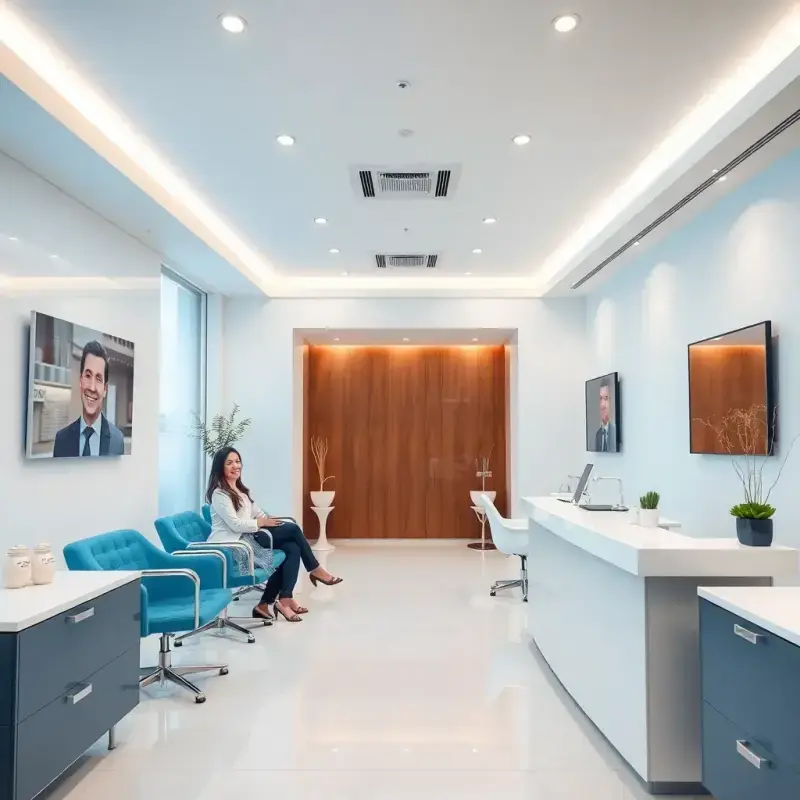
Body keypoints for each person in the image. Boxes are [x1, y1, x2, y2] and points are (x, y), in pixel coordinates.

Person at [206, 446, 342, 622]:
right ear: (220, 467)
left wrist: (270, 520)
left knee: (292, 548)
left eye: (238, 461)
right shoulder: (220, 494)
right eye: (229, 463)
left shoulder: (242, 490)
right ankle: (314, 570)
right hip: (233, 545)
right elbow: (235, 524)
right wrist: (262, 523)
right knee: (293, 530)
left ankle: (272, 602)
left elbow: (258, 513)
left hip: (247, 537)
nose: (235, 466)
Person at [53, 340, 125, 458]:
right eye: (88, 375)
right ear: (80, 381)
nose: (92, 387)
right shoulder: (61, 440)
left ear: (105, 389)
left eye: (98, 379)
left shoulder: (117, 440)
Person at [594, 376, 617, 453]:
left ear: (612, 401)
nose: (602, 404)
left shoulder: (615, 432)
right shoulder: (598, 435)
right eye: (600, 398)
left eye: (606, 398)